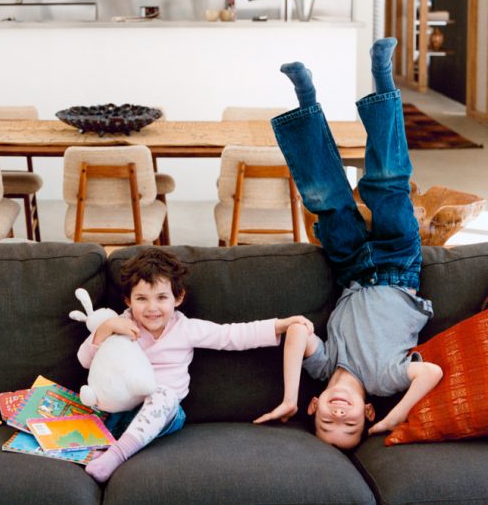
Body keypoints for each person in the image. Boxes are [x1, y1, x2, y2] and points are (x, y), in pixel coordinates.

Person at [254, 38, 443, 450]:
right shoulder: (386, 379)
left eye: (327, 423)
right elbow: (430, 374)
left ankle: (306, 98)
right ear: (368, 413)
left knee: (325, 197)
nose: (339, 418)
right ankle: (382, 80)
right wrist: (396, 417)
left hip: (352, 268)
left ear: (314, 405)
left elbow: (299, 333)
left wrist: (289, 396)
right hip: (398, 264)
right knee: (388, 183)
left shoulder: (322, 369)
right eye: (351, 426)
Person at [79, 247, 313, 481]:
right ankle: (103, 445)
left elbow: (232, 336)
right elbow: (88, 362)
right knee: (97, 409)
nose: (151, 308)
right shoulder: (121, 323)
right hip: (121, 408)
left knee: (163, 396)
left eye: (161, 297)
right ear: (128, 300)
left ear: (177, 298)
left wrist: (281, 324)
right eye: (141, 299)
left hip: (165, 411)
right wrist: (106, 329)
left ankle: (116, 455)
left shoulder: (186, 329)